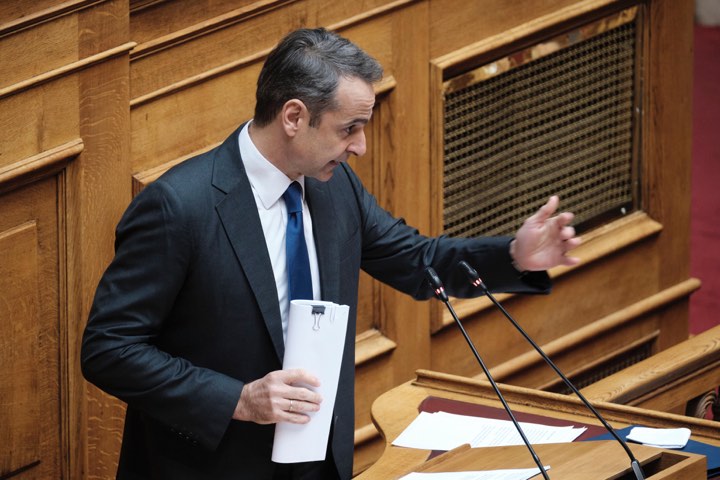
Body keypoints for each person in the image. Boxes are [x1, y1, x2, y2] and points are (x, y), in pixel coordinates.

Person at [81, 27, 580, 480]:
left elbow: (417, 260)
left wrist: (514, 257)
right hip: (216, 465)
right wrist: (240, 399)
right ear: (294, 116)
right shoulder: (179, 207)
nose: (360, 147)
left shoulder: (333, 187)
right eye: (349, 129)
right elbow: (109, 349)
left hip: (321, 462)